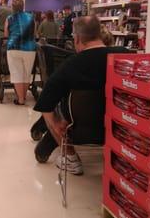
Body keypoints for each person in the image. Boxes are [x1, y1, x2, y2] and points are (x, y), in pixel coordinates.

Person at [33, 16, 128, 175]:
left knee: (53, 110)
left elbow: (45, 104)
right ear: (101, 34)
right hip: (121, 126)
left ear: (77, 38)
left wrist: (56, 125)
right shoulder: (125, 56)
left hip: (79, 131)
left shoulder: (71, 64)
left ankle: (69, 157)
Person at [5, 0, 36, 105]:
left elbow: (6, 34)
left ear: (12, 7)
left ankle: (21, 99)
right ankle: (24, 97)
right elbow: (34, 33)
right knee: (27, 74)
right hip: (30, 48)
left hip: (14, 47)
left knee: (17, 73)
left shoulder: (9, 18)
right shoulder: (31, 17)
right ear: (23, 6)